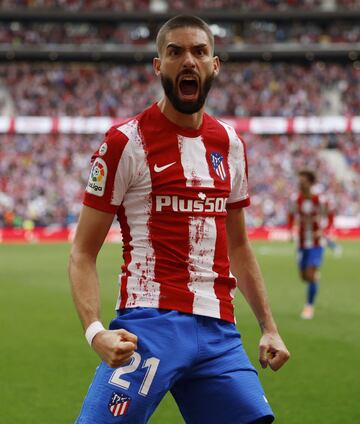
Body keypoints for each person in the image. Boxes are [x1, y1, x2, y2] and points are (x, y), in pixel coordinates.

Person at [69, 15, 290, 424]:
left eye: (199, 51)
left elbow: (238, 246)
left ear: (214, 65)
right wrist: (95, 331)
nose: (188, 60)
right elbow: (82, 251)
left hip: (219, 331)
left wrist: (269, 326)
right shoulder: (125, 142)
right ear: (158, 66)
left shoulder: (230, 143)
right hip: (150, 325)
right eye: (175, 52)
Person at [288, 170, 334, 320]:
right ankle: (314, 279)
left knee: (310, 274)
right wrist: (291, 229)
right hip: (301, 243)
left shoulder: (320, 199)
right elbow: (290, 214)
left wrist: (324, 230)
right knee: (304, 277)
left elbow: (330, 215)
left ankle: (309, 306)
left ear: (310, 183)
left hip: (316, 243)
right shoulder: (296, 199)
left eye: (303, 182)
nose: (300, 184)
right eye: (299, 182)